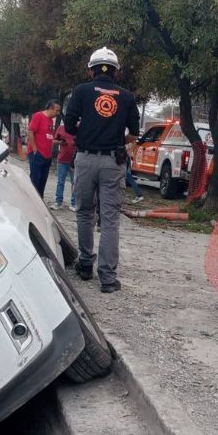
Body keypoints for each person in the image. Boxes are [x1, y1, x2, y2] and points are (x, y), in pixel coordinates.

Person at [64, 47, 140, 294]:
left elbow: (68, 125)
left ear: (91, 69)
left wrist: (86, 132)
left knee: (85, 213)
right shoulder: (127, 97)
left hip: (85, 160)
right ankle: (107, 279)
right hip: (113, 163)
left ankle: (85, 264)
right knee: (109, 220)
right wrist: (116, 139)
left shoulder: (81, 91)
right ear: (116, 72)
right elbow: (134, 134)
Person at [27, 100, 61, 197]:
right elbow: (30, 132)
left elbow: (48, 137)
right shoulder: (38, 116)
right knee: (35, 180)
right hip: (38, 154)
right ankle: (33, 201)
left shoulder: (50, 121)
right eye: (57, 111)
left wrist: (57, 142)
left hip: (47, 156)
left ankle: (40, 200)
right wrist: (34, 149)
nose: (58, 114)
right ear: (51, 108)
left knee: (43, 180)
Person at [52, 124, 77, 211]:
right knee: (60, 182)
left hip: (75, 160)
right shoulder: (61, 128)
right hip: (62, 159)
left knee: (75, 183)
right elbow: (54, 140)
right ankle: (58, 202)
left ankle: (74, 203)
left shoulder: (79, 128)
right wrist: (60, 142)